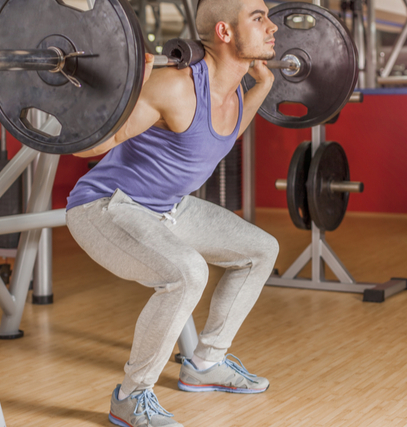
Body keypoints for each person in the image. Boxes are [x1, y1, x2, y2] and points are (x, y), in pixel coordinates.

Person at [66, 0, 279, 425]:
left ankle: (204, 364)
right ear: (224, 32)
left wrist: (264, 86)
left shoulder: (233, 88)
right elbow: (84, 147)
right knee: (188, 272)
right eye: (259, 18)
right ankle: (130, 396)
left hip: (167, 208)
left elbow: (226, 133)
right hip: (105, 206)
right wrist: (130, 91)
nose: (273, 26)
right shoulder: (175, 86)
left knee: (261, 249)